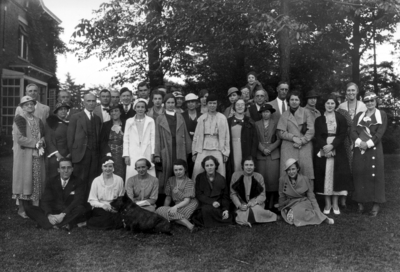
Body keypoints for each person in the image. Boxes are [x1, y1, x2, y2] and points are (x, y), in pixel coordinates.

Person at [314, 95, 352, 215]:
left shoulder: (340, 118)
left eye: (332, 103)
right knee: (325, 176)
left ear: (335, 105)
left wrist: (332, 146)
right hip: (324, 148)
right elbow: (318, 135)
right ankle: (327, 203)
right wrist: (325, 147)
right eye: (327, 103)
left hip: (337, 148)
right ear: (324, 105)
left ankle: (335, 203)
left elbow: (342, 134)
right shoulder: (319, 119)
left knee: (337, 176)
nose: (330, 105)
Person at [24, 158, 86, 231]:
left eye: (69, 168)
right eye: (63, 168)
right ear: (58, 170)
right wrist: (49, 215)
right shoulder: (51, 181)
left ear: (72, 169)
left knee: (80, 209)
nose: (66, 171)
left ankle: (49, 224)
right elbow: (45, 201)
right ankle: (63, 224)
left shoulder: (78, 181)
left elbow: (77, 201)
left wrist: (62, 214)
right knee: (29, 208)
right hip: (53, 211)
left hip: (68, 211)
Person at [352, 92, 387, 217]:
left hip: (374, 148)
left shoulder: (381, 114)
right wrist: (360, 142)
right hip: (360, 148)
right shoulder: (359, 116)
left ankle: (376, 204)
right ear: (364, 103)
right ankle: (360, 202)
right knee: (360, 173)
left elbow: (380, 132)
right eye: (367, 101)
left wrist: (368, 144)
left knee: (376, 175)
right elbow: (353, 131)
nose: (370, 103)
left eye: (372, 101)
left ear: (376, 101)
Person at [12, 96, 46, 218]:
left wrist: (42, 141)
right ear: (22, 107)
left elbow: (42, 136)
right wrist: (35, 143)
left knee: (35, 179)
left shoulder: (38, 119)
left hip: (37, 155)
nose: (30, 106)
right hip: (24, 155)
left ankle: (34, 209)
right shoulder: (19, 119)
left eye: (31, 104)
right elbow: (19, 138)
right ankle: (22, 209)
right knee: (23, 180)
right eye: (26, 105)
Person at [278, 158, 334, 226]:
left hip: (303, 202)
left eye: (293, 169)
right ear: (286, 171)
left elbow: (311, 196)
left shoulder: (305, 179)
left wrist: (317, 210)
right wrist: (280, 208)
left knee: (298, 212)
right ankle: (312, 217)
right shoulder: (282, 179)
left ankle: (323, 218)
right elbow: (281, 195)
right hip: (290, 203)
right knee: (291, 215)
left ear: (297, 169)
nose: (291, 172)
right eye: (288, 170)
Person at [155, 93, 192, 195]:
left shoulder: (180, 116)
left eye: (172, 102)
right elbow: (157, 136)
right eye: (168, 103)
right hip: (166, 148)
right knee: (167, 172)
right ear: (164, 104)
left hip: (179, 147)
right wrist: (157, 154)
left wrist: (189, 150)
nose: (171, 105)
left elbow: (185, 132)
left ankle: (182, 195)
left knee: (180, 170)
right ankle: (166, 196)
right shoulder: (160, 118)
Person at [67, 93, 101, 194]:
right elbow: (70, 138)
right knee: (79, 181)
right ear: (83, 103)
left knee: (92, 180)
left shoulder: (97, 118)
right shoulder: (75, 117)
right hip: (80, 155)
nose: (91, 103)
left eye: (93, 101)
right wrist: (72, 154)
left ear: (96, 103)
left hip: (94, 155)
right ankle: (78, 205)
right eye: (88, 101)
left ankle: (89, 204)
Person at [277, 91, 315, 183]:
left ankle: (308, 196)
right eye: (292, 99)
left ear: (300, 101)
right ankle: (288, 195)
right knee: (288, 171)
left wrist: (301, 141)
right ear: (288, 101)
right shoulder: (285, 114)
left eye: (296, 100)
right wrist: (293, 138)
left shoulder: (306, 112)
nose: (294, 102)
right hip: (289, 148)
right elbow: (280, 132)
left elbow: (311, 130)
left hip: (304, 147)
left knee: (306, 172)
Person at [230, 157, 278, 227]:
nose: (249, 167)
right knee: (243, 211)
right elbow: (233, 194)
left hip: (255, 204)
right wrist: (239, 205)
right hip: (241, 204)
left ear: (254, 166)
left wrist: (254, 202)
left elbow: (262, 195)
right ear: (242, 166)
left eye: (251, 165)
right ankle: (248, 219)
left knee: (255, 211)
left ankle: (246, 220)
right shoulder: (235, 176)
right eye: (246, 165)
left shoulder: (259, 177)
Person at [192, 94, 230, 180]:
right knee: (198, 170)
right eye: (210, 103)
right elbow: (196, 136)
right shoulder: (202, 118)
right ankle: (196, 191)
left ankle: (219, 192)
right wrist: (194, 152)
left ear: (217, 104)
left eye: (214, 103)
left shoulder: (222, 118)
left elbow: (226, 137)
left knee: (219, 170)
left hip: (218, 148)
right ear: (207, 104)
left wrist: (226, 152)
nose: (212, 105)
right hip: (202, 148)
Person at [156, 160, 199, 232]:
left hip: (189, 203)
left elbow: (187, 200)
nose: (178, 172)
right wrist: (165, 208)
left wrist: (175, 207)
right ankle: (190, 225)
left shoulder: (189, 182)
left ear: (185, 169)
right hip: (177, 204)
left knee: (174, 214)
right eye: (175, 170)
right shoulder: (170, 180)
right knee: (159, 210)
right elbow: (168, 198)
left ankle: (182, 221)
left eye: (180, 169)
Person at [255, 104, 281, 209]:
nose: (265, 114)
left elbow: (279, 139)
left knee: (273, 178)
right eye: (263, 112)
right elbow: (255, 139)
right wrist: (262, 149)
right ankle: (262, 202)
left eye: (267, 112)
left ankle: (272, 202)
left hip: (273, 153)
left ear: (271, 113)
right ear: (261, 113)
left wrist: (270, 148)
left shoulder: (276, 123)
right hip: (261, 153)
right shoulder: (256, 124)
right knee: (262, 177)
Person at [193, 156, 232, 227]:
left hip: (218, 205)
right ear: (204, 167)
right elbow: (199, 194)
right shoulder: (199, 177)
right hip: (205, 203)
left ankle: (212, 220)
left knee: (222, 213)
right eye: (207, 165)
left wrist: (225, 209)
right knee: (204, 210)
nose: (209, 167)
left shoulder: (221, 178)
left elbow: (225, 196)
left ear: (215, 166)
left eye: (211, 165)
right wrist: (212, 202)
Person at [87, 156, 125, 230]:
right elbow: (92, 200)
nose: (107, 169)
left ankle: (100, 224)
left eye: (110, 166)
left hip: (114, 208)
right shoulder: (96, 181)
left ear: (113, 167)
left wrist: (115, 208)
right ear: (101, 167)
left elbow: (121, 197)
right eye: (105, 166)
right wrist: (103, 205)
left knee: (115, 217)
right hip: (101, 207)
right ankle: (88, 222)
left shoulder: (119, 180)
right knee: (106, 217)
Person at [123, 99, 156, 180]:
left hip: (147, 150)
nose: (140, 109)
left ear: (145, 109)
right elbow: (126, 138)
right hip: (133, 152)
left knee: (148, 173)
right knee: (133, 174)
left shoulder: (150, 121)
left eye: (142, 107)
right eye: (138, 107)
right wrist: (126, 155)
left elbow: (153, 137)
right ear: (135, 108)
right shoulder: (129, 121)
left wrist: (153, 153)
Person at [227, 99, 258, 181]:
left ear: (245, 107)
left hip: (246, 149)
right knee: (234, 169)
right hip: (232, 149)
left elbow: (255, 140)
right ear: (234, 106)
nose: (240, 106)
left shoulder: (250, 121)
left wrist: (252, 154)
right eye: (238, 105)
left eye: (242, 105)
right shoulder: (228, 121)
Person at [99, 104, 126, 179]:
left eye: (116, 111)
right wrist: (107, 153)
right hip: (110, 153)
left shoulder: (126, 123)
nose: (114, 113)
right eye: (112, 111)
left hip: (123, 154)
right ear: (110, 113)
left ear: (120, 112)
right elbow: (103, 141)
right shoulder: (106, 125)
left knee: (123, 173)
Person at [45, 102, 71, 179]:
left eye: (65, 109)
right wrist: (58, 155)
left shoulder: (70, 123)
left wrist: (70, 153)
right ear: (56, 111)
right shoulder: (51, 123)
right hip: (55, 155)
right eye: (60, 109)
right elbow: (48, 140)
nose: (63, 111)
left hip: (68, 155)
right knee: (54, 177)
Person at [181, 93, 201, 177]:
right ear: (186, 104)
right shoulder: (182, 116)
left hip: (198, 145)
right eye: (188, 102)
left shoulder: (202, 115)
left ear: (196, 103)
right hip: (186, 145)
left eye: (193, 101)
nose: (191, 104)